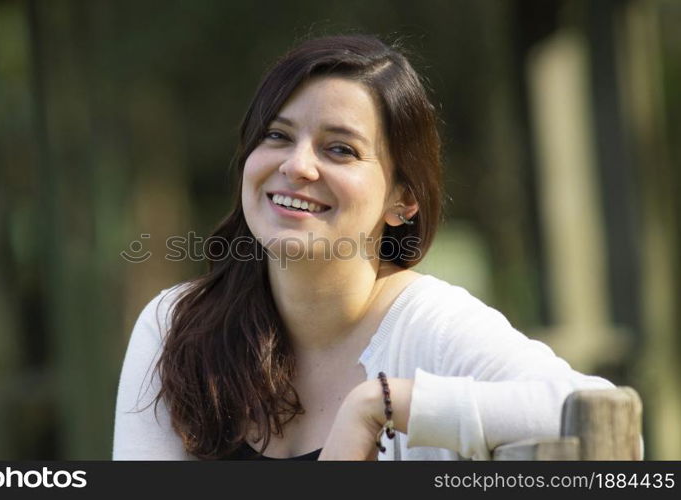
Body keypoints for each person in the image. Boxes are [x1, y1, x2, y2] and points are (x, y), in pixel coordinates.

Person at [112, 34, 615, 460]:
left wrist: (382, 403)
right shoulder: (176, 326)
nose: (297, 166)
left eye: (340, 149)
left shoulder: (429, 327)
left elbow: (599, 413)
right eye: (277, 136)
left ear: (403, 201)